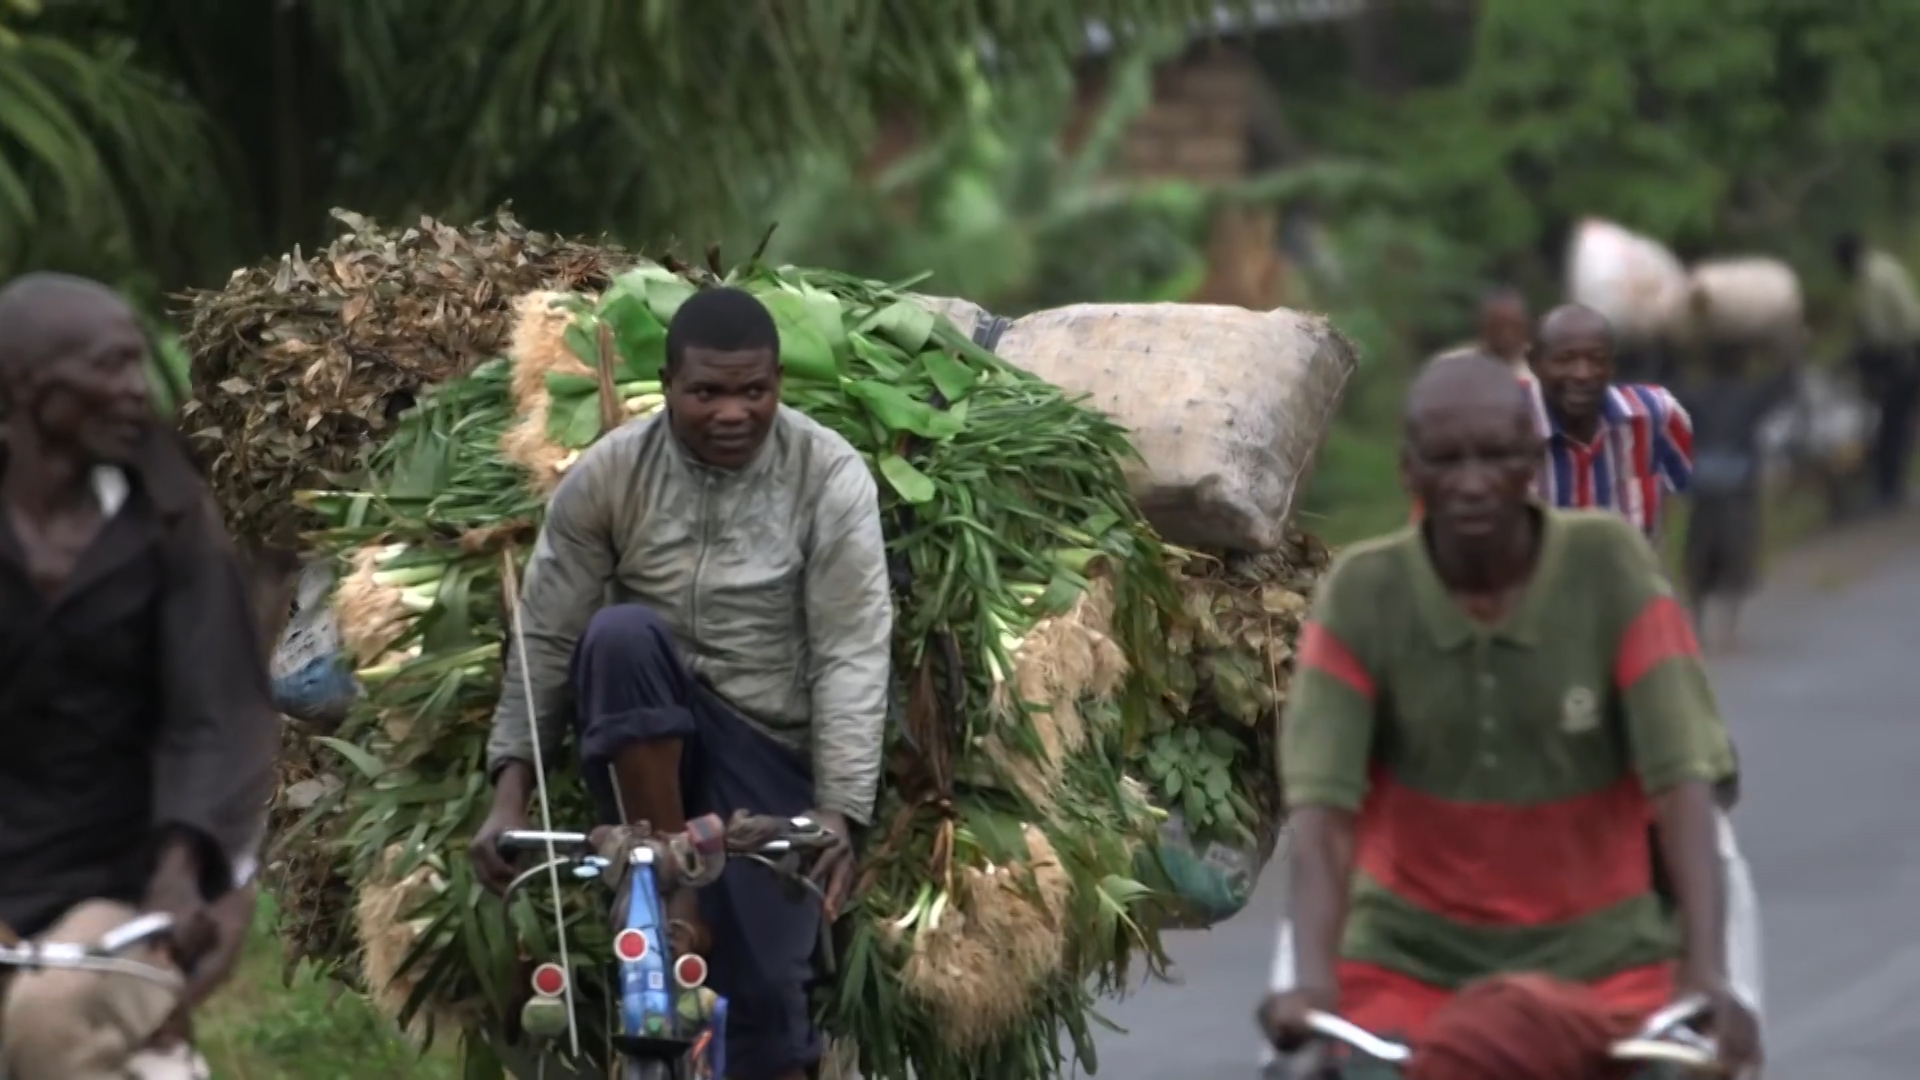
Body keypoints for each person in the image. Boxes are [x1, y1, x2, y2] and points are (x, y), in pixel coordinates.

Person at [1257, 353, 1760, 1076]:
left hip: (1608, 975)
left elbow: (1682, 783)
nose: (1471, 482)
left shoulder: (1609, 568)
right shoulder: (1364, 595)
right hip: (1405, 977)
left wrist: (1708, 973)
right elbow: (1322, 814)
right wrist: (1310, 981)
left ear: (1532, 459)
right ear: (1410, 470)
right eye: (1446, 458)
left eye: (1495, 456)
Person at [470, 286, 891, 1080]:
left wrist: (836, 810)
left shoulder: (828, 474)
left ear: (778, 388)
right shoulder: (610, 474)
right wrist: (509, 793)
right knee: (618, 633)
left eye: (753, 392)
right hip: (639, 739)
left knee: (769, 999)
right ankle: (674, 899)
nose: (732, 412)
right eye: (706, 392)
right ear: (666, 385)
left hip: (766, 745)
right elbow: (547, 634)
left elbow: (850, 648)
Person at [0, 274, 278, 1080]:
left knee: (48, 1023)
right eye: (109, 369)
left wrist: (187, 873)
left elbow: (216, 716)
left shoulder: (169, 526)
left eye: (136, 366)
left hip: (126, 885)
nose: (135, 391)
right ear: (27, 387)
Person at [1673, 340, 1801, 650]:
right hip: (1738, 489)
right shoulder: (1751, 395)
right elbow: (1785, 386)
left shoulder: (1696, 396)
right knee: (1736, 555)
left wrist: (1665, 352)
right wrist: (1788, 352)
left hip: (1704, 490)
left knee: (1700, 556)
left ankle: (1700, 627)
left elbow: (1666, 390)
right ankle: (1728, 630)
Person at [1528, 304, 1693, 539]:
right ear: (1534, 364)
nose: (1582, 374)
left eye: (1597, 360)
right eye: (1565, 360)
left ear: (1612, 366)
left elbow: (1687, 503)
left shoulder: (1656, 416)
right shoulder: (1509, 426)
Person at [1833, 232, 1920, 510]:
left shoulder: (1874, 277)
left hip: (1903, 353)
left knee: (1893, 422)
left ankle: (1889, 487)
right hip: (1897, 351)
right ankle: (1889, 483)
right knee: (1893, 420)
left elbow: (1888, 328)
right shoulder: (1876, 270)